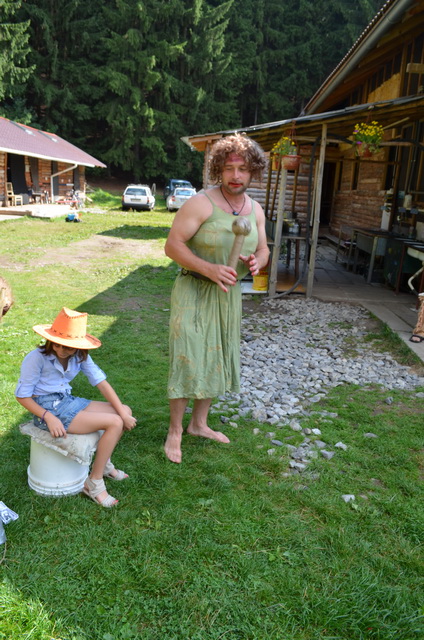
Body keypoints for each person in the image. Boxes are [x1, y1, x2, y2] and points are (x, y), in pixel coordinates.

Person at [164, 133, 269, 463]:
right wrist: (209, 269)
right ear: (218, 170)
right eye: (228, 168)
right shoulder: (201, 203)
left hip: (227, 294)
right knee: (187, 354)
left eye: (243, 169)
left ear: (253, 172)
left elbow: (264, 249)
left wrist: (257, 262)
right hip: (194, 288)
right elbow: (172, 246)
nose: (235, 176)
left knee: (216, 354)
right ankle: (175, 430)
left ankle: (199, 424)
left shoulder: (255, 210)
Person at [15, 307, 137, 507]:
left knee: (124, 411)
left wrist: (124, 413)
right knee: (115, 422)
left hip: (66, 400)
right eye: (57, 344)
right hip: (47, 409)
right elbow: (22, 396)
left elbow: (101, 383)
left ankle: (104, 465)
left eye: (68, 347)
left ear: (79, 347)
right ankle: (94, 483)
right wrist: (48, 417)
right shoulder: (35, 358)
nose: (61, 350)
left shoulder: (81, 356)